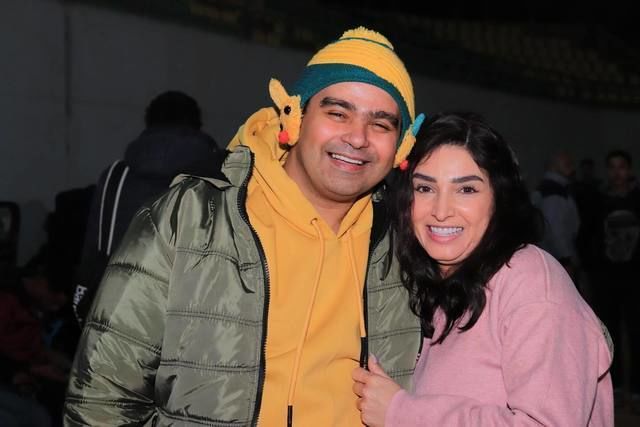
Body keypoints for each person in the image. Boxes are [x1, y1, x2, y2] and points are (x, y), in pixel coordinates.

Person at [65, 27, 425, 426]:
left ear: (401, 146)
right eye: (337, 113)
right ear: (295, 115)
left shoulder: (408, 247)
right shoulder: (192, 218)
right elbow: (103, 399)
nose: (357, 138)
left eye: (381, 124)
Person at [352, 113, 613, 426]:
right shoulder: (435, 283)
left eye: (466, 190)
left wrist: (400, 412)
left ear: (499, 199)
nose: (441, 211)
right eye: (425, 188)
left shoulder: (529, 281)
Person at [72, 91, 222, 325]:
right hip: (191, 314)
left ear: (149, 123)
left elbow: (94, 252)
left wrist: (81, 307)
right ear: (198, 126)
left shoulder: (116, 176)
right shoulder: (219, 178)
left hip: (119, 310)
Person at [592, 150, 640, 410]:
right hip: (606, 279)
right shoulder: (597, 200)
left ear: (629, 169)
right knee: (609, 332)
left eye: (621, 166)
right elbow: (588, 237)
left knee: (637, 330)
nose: (617, 172)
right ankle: (617, 386)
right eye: (612, 167)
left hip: (635, 278)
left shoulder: (637, 198)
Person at [531, 151, 580, 278]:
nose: (571, 166)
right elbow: (555, 228)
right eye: (566, 163)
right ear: (552, 166)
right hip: (557, 259)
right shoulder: (554, 192)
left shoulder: (549, 189)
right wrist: (566, 258)